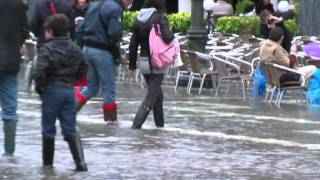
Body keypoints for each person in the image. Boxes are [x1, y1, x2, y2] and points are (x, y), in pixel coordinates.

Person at [32, 14, 88, 171]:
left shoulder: (47, 48)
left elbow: (39, 72)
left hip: (51, 90)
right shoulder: (75, 48)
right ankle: (81, 164)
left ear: (50, 31)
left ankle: (48, 167)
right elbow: (84, 68)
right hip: (68, 91)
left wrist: (41, 90)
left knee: (48, 129)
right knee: (70, 128)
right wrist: (71, 80)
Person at [75, 0, 133, 122]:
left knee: (91, 87)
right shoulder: (116, 8)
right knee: (109, 89)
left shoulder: (94, 5)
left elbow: (80, 31)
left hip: (87, 50)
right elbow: (114, 33)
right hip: (102, 52)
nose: (130, 3)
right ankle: (110, 125)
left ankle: (68, 111)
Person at [128, 0, 174, 129]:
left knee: (158, 96)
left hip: (143, 62)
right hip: (157, 62)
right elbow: (167, 37)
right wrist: (173, 31)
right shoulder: (160, 17)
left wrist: (132, 66)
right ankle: (136, 126)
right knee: (152, 96)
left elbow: (133, 45)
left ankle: (160, 127)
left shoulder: (138, 19)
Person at [0, 0, 29, 156]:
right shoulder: (19, 4)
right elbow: (25, 30)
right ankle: (9, 153)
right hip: (10, 61)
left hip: (9, 59)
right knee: (10, 110)